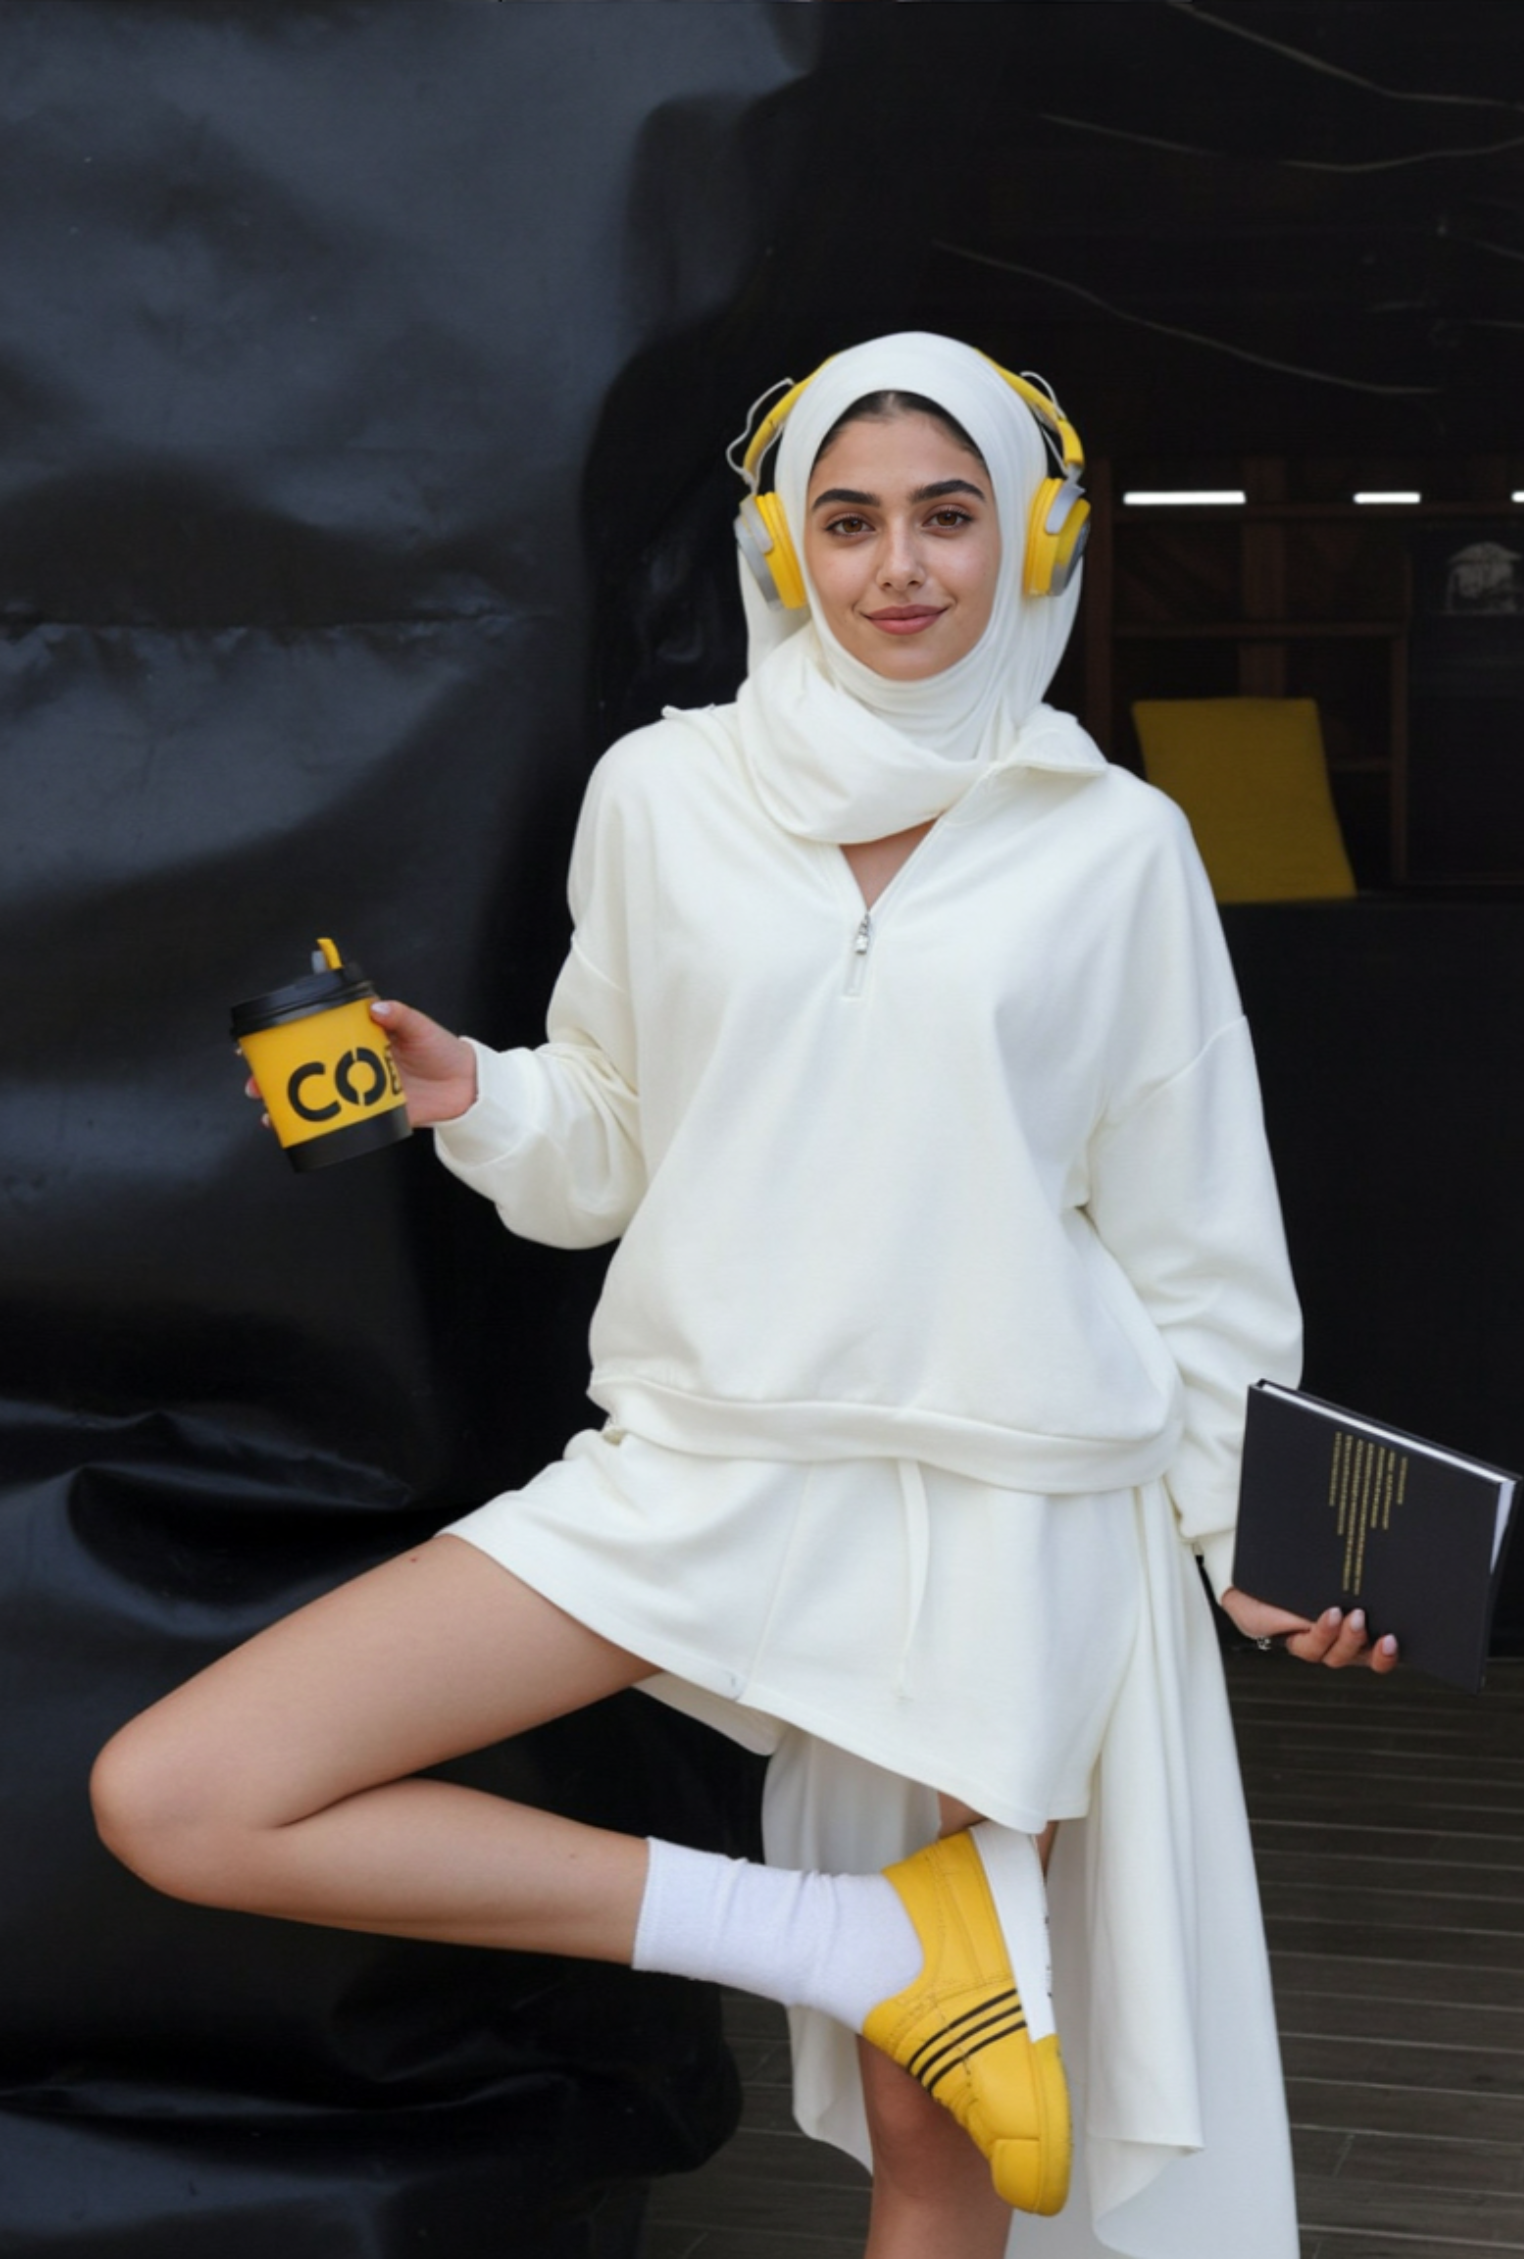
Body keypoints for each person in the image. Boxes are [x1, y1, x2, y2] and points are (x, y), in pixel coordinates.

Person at [90, 333, 1396, 2259]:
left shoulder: (1118, 846)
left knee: (932, 2122)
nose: (899, 567)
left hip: (1002, 1498)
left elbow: (1198, 1236)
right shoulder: (662, 791)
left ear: (1034, 535)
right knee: (188, 1791)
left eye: (948, 516)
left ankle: (897, 1973)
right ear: (780, 551)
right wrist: (476, 1091)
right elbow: (611, 1136)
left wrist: (1252, 1529)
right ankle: (850, 1939)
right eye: (847, 519)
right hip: (699, 1457)